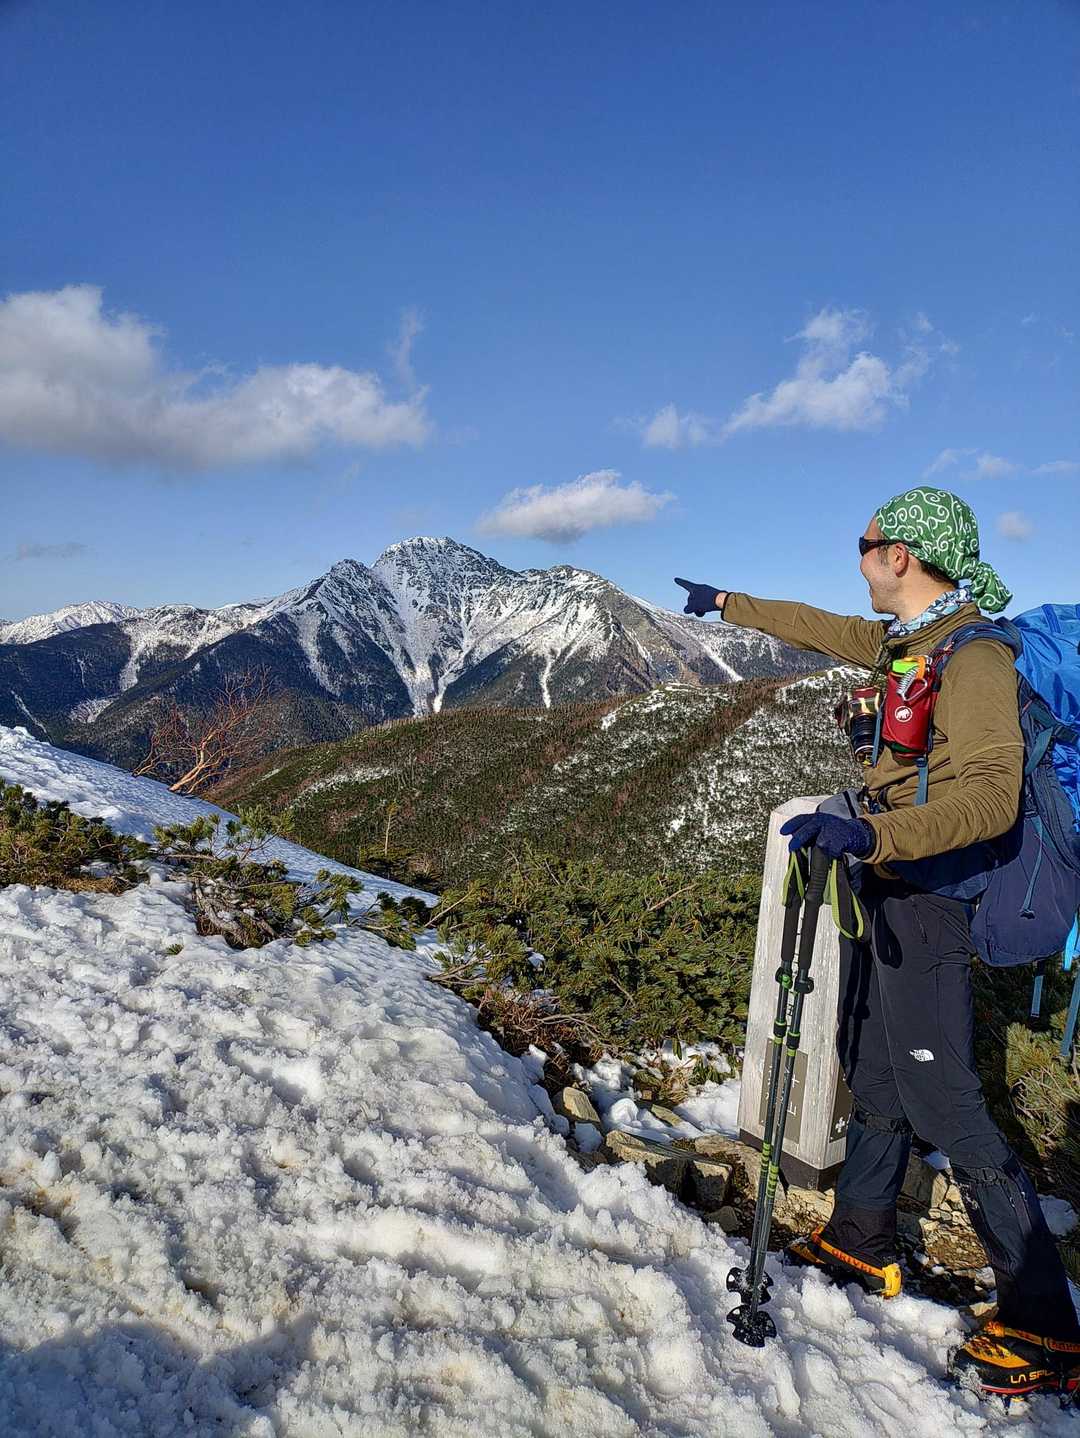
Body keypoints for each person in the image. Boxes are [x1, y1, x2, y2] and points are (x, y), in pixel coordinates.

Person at [676, 485, 1080, 1401]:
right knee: (873, 1061)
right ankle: (863, 1236)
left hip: (934, 893)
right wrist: (728, 604)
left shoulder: (974, 660)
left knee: (946, 1101)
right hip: (894, 883)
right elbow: (823, 628)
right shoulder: (912, 641)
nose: (854, 556)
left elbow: (990, 800)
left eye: (862, 542)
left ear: (900, 554)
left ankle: (1046, 1323)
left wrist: (872, 835)